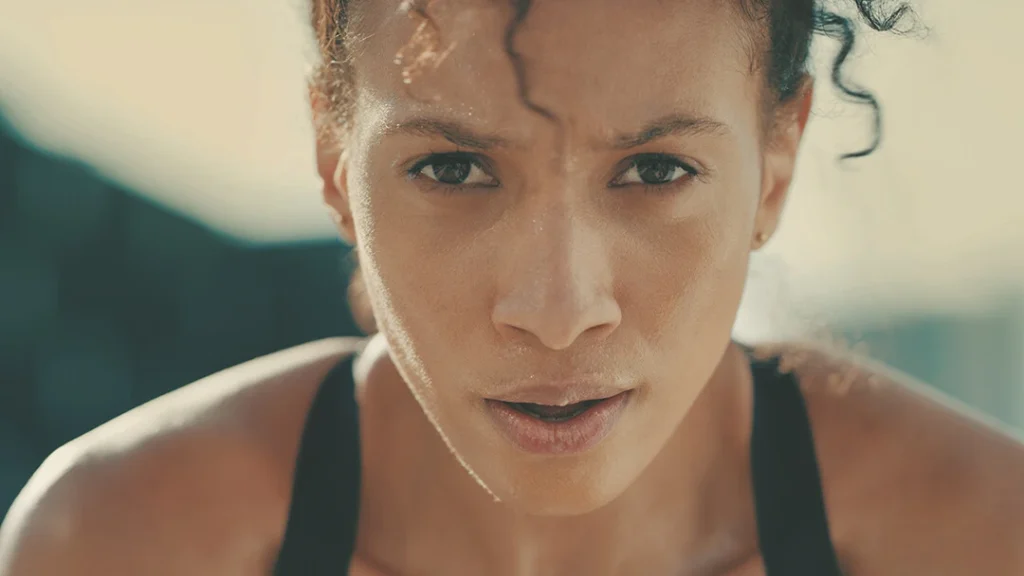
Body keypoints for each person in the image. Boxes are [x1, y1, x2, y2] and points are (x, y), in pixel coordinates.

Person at [2, 0, 1024, 574]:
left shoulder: (974, 542)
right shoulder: (125, 547)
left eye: (656, 170)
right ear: (331, 160)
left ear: (779, 161)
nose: (556, 307)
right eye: (452, 169)